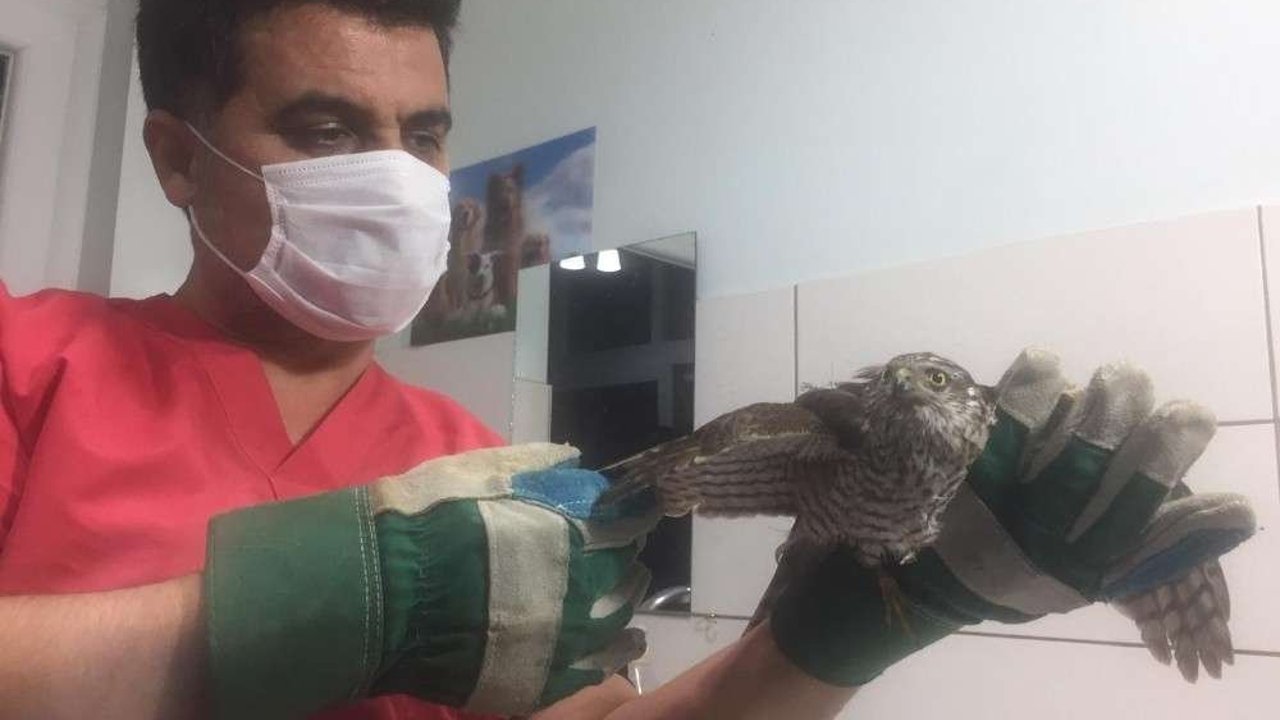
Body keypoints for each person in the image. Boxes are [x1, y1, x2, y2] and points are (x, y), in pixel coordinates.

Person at [0, 1, 1255, 719]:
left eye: (421, 135)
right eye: (328, 130)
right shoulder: (30, 363)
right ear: (178, 158)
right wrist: (316, 606)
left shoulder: (480, 470)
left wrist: (834, 636)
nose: (394, 178)